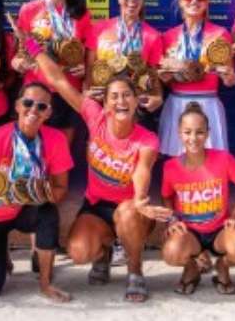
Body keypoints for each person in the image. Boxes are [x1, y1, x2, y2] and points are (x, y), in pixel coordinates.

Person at [35, 52, 167, 303]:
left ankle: (135, 271)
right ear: (104, 104)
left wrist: (139, 198)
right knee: (79, 252)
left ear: (136, 101)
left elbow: (142, 170)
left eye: (127, 95)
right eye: (114, 96)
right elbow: (59, 81)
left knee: (127, 214)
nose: (121, 101)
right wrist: (33, 48)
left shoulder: (147, 139)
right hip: (97, 206)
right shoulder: (95, 117)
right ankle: (102, 255)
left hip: (132, 210)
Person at [0, 83, 74, 302]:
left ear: (48, 112)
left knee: (48, 213)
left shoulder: (56, 139)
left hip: (28, 209)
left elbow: (61, 189)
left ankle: (46, 283)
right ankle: (1, 252)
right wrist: (4, 197)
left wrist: (39, 193)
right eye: (28, 103)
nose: (33, 110)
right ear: (18, 105)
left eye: (41, 106)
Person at [161, 104, 235, 296]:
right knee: (171, 253)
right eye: (187, 132)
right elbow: (166, 195)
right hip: (190, 233)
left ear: (208, 133)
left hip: (220, 230)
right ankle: (191, 267)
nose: (193, 138)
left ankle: (222, 266)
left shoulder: (223, 159)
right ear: (179, 133)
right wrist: (173, 220)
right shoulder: (170, 167)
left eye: (199, 132)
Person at [14, 0, 92, 144]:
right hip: (36, 90)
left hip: (68, 90)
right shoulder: (29, 9)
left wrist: (84, 68)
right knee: (31, 147)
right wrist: (18, 63)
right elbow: (19, 53)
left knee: (62, 148)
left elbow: (87, 53)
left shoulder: (81, 14)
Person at [158, 0, 235, 156]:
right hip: (177, 103)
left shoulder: (221, 34)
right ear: (180, 1)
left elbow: (230, 80)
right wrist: (164, 77)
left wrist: (229, 77)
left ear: (206, 2)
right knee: (177, 159)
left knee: (210, 161)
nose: (194, 1)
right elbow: (163, 78)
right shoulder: (168, 36)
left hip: (208, 103)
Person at [86, 0, 164, 125]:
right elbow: (90, 69)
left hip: (137, 110)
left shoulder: (153, 36)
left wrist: (158, 98)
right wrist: (86, 94)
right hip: (104, 107)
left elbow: (154, 79)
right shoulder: (98, 30)